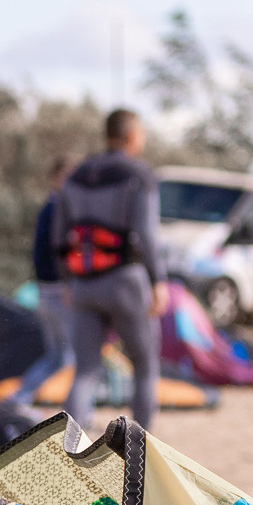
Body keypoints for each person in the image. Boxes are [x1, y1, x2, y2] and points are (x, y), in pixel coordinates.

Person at [50, 109, 167, 433]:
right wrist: (159, 281)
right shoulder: (139, 175)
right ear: (132, 136)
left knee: (85, 369)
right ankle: (142, 446)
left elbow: (59, 236)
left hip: (84, 285)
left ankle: (69, 449)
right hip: (125, 283)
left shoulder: (76, 176)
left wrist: (67, 281)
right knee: (144, 365)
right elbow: (146, 232)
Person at [0, 157, 78, 426]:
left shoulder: (50, 207)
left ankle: (18, 398)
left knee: (57, 356)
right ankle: (77, 413)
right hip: (57, 290)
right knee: (72, 356)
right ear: (56, 178)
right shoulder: (59, 209)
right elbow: (59, 252)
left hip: (46, 290)